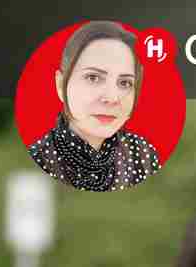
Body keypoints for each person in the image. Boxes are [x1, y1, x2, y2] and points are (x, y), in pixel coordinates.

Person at [26, 20, 162, 191]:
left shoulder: (144, 156)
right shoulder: (39, 159)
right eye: (93, 78)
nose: (112, 98)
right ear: (61, 84)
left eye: (125, 83)